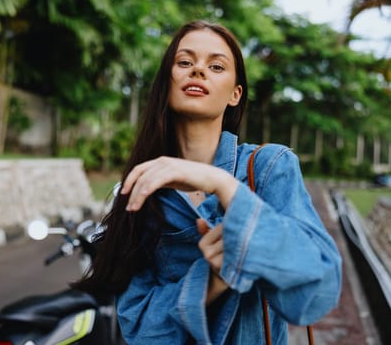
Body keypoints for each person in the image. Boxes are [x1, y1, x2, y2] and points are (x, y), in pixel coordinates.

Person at [72, 20, 342, 344]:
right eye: (185, 62)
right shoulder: (143, 191)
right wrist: (210, 282)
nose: (198, 70)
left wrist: (223, 185)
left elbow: (320, 285)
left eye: (216, 66)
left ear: (235, 93)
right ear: (166, 84)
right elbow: (137, 325)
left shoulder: (270, 167)